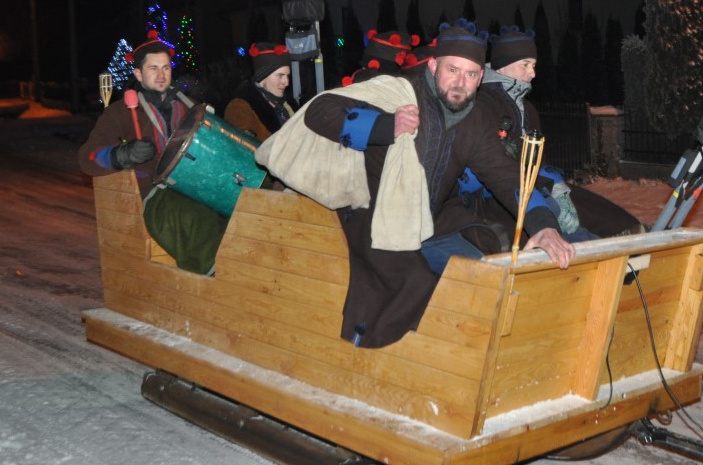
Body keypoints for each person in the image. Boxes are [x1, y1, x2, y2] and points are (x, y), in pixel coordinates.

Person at [257, 19, 574, 347]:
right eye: (453, 69)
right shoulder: (399, 91)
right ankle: (368, 360)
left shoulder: (476, 120)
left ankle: (464, 355)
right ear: (434, 65)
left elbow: (506, 175)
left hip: (430, 221)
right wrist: (383, 125)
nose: (459, 83)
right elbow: (320, 111)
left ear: (481, 78)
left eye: (470, 74)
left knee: (482, 275)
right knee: (413, 284)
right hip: (374, 215)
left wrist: (544, 225)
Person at [471, 25, 644, 239]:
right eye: (525, 65)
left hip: (536, 185)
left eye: (534, 65)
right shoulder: (482, 103)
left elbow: (541, 161)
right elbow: (490, 168)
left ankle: (629, 246)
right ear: (502, 66)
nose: (532, 73)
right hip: (498, 196)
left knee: (607, 218)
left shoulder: (528, 109)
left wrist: (558, 187)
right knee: (574, 235)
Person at [78, 31, 228, 275]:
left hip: (196, 184)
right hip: (154, 194)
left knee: (237, 208)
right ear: (138, 74)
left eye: (166, 68)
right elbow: (88, 158)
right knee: (195, 216)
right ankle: (217, 273)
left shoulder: (189, 106)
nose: (161, 75)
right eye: (153, 68)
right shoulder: (121, 112)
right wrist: (124, 155)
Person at [224, 43, 294, 140]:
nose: (286, 82)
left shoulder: (288, 104)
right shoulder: (240, 107)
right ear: (262, 78)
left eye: (287, 76)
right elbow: (242, 148)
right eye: (280, 76)